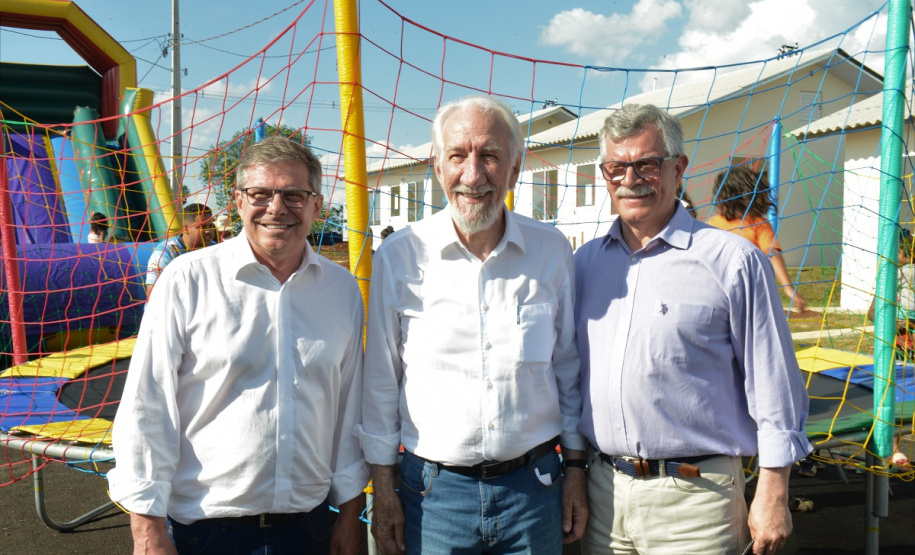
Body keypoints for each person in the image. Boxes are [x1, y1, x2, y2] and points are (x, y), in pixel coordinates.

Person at [108, 136, 369, 555]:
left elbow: (347, 411)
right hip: (211, 533)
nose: (277, 208)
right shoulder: (187, 279)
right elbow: (147, 406)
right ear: (237, 201)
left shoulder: (341, 290)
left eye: (294, 195)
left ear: (317, 206)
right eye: (261, 194)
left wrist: (350, 517)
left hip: (312, 529)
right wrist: (147, 531)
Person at [575, 103, 812, 555]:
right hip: (604, 495)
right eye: (616, 167)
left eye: (646, 164)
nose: (630, 179)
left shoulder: (733, 261)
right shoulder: (583, 265)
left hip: (697, 501)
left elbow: (774, 382)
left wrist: (774, 491)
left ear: (678, 168)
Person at [361, 95, 588, 555]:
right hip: (432, 498)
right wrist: (383, 491)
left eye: (490, 155)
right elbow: (382, 381)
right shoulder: (398, 256)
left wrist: (576, 473)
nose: (474, 174)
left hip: (536, 490)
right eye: (458, 155)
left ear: (516, 166)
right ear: (437, 167)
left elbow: (568, 368)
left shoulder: (552, 251)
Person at [708, 166, 807, 312]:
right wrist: (788, 287)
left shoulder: (714, 223)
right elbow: (772, 252)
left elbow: (771, 251)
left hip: (732, 293)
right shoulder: (757, 224)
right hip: (738, 293)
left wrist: (787, 287)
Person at [145, 203, 217, 296]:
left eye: (210, 226)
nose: (208, 231)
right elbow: (152, 295)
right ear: (186, 229)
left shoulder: (214, 249)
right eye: (202, 227)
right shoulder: (166, 252)